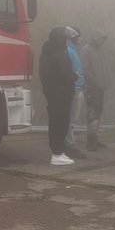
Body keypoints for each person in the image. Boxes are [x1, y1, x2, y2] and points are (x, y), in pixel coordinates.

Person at [39, 26, 80, 166]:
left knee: (55, 123)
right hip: (61, 96)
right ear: (61, 39)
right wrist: (76, 76)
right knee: (61, 124)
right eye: (66, 39)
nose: (68, 41)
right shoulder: (60, 54)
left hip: (52, 95)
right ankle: (57, 154)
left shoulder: (46, 53)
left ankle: (58, 152)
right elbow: (66, 74)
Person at [80, 28, 109, 151]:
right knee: (92, 113)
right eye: (99, 38)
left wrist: (104, 83)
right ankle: (91, 141)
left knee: (98, 112)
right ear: (94, 38)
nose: (101, 41)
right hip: (91, 88)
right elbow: (85, 69)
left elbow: (102, 69)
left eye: (103, 39)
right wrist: (96, 82)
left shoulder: (100, 51)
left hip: (100, 88)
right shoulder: (86, 50)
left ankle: (94, 138)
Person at [63, 27, 87, 159]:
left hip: (78, 88)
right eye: (80, 36)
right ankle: (69, 145)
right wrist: (75, 86)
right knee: (71, 119)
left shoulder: (72, 51)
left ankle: (68, 144)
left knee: (72, 119)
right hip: (75, 89)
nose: (81, 39)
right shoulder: (69, 51)